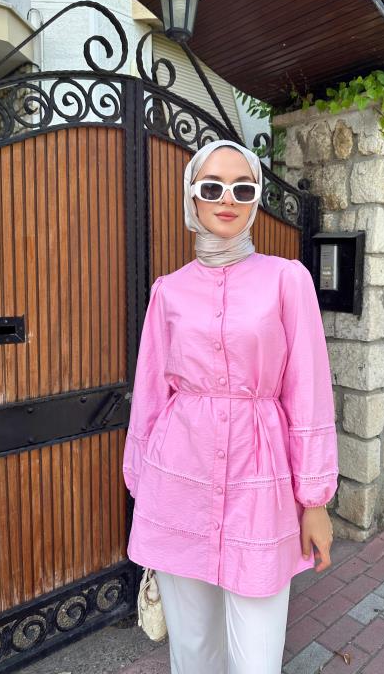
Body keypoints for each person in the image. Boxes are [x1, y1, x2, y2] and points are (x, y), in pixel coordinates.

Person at [123, 139, 339, 674]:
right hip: (178, 485)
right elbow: (150, 395)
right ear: (191, 196)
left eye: (243, 189)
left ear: (256, 199)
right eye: (212, 186)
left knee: (257, 657)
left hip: (258, 484)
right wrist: (141, 483)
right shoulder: (168, 292)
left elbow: (309, 391)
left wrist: (314, 500)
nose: (227, 199)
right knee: (193, 650)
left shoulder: (287, 280)